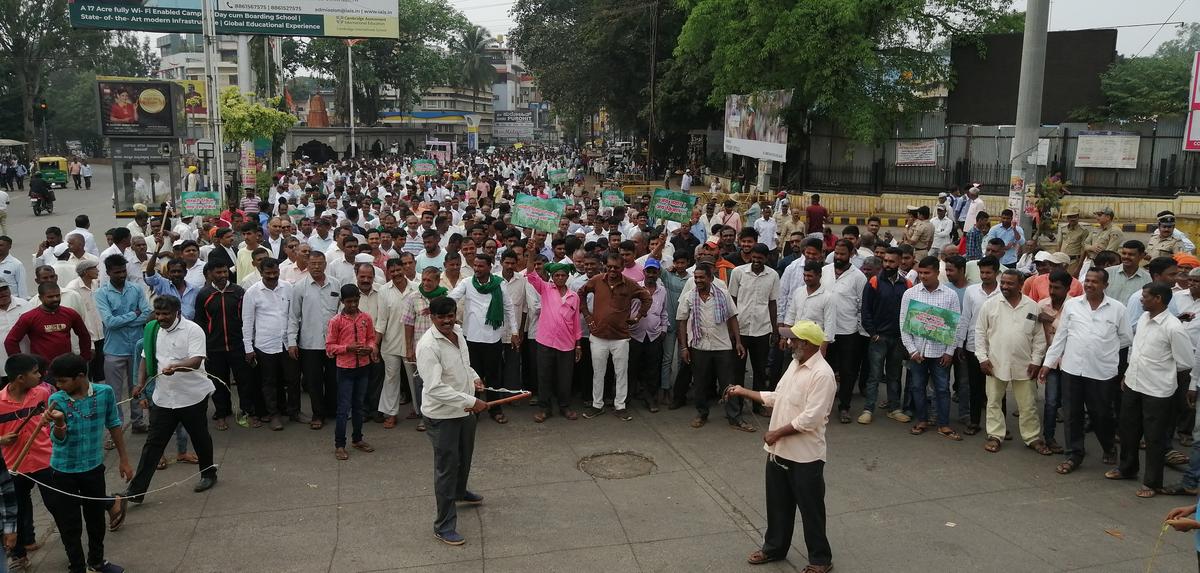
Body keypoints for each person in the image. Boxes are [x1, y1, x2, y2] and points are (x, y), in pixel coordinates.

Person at [726, 321, 835, 572]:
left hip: (806, 456)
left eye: (793, 339)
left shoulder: (823, 375)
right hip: (778, 453)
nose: (788, 343)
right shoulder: (794, 365)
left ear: (806, 344)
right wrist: (743, 391)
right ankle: (774, 548)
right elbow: (777, 397)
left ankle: (820, 559)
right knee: (777, 505)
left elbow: (811, 418)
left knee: (811, 510)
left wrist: (777, 433)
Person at [125, 295, 217, 504]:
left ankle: (208, 474)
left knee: (200, 437)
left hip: (191, 396)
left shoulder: (193, 330)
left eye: (166, 314)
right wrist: (139, 384)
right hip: (163, 398)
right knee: (153, 445)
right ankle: (136, 492)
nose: (161, 318)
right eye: (158, 314)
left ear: (177, 312)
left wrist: (175, 367)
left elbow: (196, 361)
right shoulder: (152, 330)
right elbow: (145, 358)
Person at [44, 352, 131, 573]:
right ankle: (77, 566)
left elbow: (114, 424)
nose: (58, 385)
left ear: (80, 376)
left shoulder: (104, 393)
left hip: (93, 468)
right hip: (63, 471)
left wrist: (124, 459)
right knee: (69, 523)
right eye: (57, 381)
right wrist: (60, 423)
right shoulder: (57, 400)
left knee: (95, 520)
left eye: (63, 380)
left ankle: (96, 562)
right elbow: (57, 440)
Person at [1040, 268, 1132, 475]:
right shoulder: (1072, 306)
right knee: (1072, 414)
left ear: (1105, 285)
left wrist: (1103, 349)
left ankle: (1108, 446)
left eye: (1095, 281)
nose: (1090, 284)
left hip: (1101, 372)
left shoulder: (1117, 309)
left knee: (1101, 414)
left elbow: (1126, 338)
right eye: (1087, 281)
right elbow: (1061, 337)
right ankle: (1074, 454)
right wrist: (1048, 364)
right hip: (1072, 369)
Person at [1107, 282, 1193, 497]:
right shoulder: (1145, 319)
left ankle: (1152, 483)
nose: (1141, 299)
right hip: (1134, 384)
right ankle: (1127, 468)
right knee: (1128, 430)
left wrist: (1167, 379)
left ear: (1158, 299)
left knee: (1154, 438)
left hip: (1158, 390)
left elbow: (1185, 362)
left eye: (1145, 296)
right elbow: (1136, 350)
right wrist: (1127, 375)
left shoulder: (1173, 327)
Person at [416, 296, 488, 546]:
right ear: (432, 318)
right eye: (442, 317)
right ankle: (444, 526)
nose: (447, 321)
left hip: (465, 410)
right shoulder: (428, 346)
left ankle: (460, 492)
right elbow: (434, 388)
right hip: (442, 415)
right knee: (447, 469)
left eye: (450, 315)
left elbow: (464, 365)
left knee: (464, 457)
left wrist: (475, 379)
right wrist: (469, 401)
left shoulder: (458, 331)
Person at [975, 269, 1051, 455]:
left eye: (1010, 283)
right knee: (993, 401)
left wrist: (1036, 360)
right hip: (995, 362)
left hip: (1024, 364)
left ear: (1021, 285)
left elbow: (1039, 338)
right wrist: (982, 358)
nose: (1005, 287)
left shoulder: (1032, 307)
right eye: (1003, 283)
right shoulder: (990, 305)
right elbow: (979, 333)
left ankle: (1032, 437)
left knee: (1028, 404)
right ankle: (995, 435)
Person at [677, 263, 751, 431]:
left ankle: (734, 417)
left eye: (702, 277)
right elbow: (681, 321)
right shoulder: (689, 296)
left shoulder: (723, 294)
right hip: (699, 345)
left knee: (728, 383)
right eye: (696, 277)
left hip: (722, 345)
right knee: (700, 383)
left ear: (710, 278)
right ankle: (702, 413)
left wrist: (738, 342)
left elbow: (733, 318)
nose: (698, 280)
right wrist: (683, 347)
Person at [446, 254, 518, 424]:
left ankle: (495, 409)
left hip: (493, 338)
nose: (477, 269)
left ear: (490, 267)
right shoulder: (467, 283)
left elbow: (508, 308)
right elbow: (452, 298)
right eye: (475, 266)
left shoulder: (499, 284)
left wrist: (514, 332)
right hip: (471, 338)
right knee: (473, 377)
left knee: (494, 376)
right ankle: (474, 409)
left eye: (481, 266)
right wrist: (436, 303)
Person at [900, 256, 966, 440]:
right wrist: (912, 350)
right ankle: (922, 420)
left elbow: (955, 326)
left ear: (938, 272)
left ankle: (943, 424)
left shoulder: (949, 295)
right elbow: (903, 323)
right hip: (918, 353)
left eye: (927, 273)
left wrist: (949, 352)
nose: (923, 276)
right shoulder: (910, 294)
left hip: (940, 354)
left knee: (942, 389)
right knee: (917, 387)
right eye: (920, 272)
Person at [579, 253, 650, 421]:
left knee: (621, 373)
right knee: (598, 373)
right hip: (598, 336)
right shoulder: (596, 280)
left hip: (620, 337)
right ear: (605, 266)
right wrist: (587, 316)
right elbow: (581, 294)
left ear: (622, 268)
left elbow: (646, 298)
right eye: (609, 266)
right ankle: (597, 405)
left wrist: (638, 317)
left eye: (616, 267)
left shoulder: (630, 284)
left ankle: (620, 406)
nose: (612, 270)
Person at [0, 354, 53, 569]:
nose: (40, 375)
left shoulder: (42, 393)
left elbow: (55, 416)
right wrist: (1, 439)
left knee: (57, 505)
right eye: (35, 372)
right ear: (20, 378)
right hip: (14, 466)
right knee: (18, 511)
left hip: (45, 459)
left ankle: (74, 551)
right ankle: (19, 554)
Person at [194, 260, 256, 429]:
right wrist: (203, 346)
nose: (222, 276)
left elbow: (248, 319)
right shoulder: (204, 294)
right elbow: (199, 322)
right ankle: (222, 413)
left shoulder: (238, 292)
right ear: (210, 274)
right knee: (219, 383)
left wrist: (248, 343)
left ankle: (246, 411)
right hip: (214, 347)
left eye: (224, 272)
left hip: (238, 345)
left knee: (245, 381)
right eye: (218, 273)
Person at [94, 255, 150, 434]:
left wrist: (125, 319)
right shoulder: (101, 294)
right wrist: (134, 315)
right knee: (113, 393)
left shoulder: (136, 289)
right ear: (108, 272)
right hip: (114, 350)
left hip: (137, 346)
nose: (121, 275)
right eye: (117, 272)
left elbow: (147, 313)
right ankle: (115, 428)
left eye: (123, 271)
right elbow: (109, 322)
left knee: (137, 386)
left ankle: (138, 422)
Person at [289, 252, 342, 429]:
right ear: (307, 265)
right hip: (309, 343)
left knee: (333, 380)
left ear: (325, 264)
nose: (317, 267)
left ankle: (331, 410)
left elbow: (341, 314)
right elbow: (293, 316)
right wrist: (291, 342)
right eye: (313, 264)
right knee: (314, 381)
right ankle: (318, 414)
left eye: (320, 263)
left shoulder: (335, 284)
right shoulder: (299, 287)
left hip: (333, 343)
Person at [326, 284, 378, 461]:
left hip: (363, 367)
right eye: (349, 302)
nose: (353, 305)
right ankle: (339, 444)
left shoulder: (366, 318)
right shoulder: (336, 321)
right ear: (342, 301)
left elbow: (371, 338)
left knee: (359, 406)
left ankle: (357, 439)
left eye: (356, 301)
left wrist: (370, 349)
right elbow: (329, 347)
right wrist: (347, 348)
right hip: (345, 369)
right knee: (343, 408)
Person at [242, 259, 296, 430]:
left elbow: (293, 316)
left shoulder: (287, 287)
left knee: (292, 379)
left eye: (275, 273)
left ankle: (293, 411)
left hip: (287, 343)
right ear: (261, 272)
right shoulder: (252, 292)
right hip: (265, 344)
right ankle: (273, 414)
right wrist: (248, 348)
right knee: (269, 382)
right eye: (268, 273)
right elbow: (247, 321)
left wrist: (293, 340)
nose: (272, 276)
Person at [525, 260, 581, 422]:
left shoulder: (574, 297)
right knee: (544, 376)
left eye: (563, 275)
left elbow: (576, 321)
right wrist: (530, 253)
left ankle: (564, 406)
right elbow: (531, 275)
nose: (560, 278)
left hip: (567, 344)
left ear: (568, 276)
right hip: (545, 342)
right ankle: (544, 408)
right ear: (552, 277)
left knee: (565, 378)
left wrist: (578, 344)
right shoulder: (546, 289)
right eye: (557, 275)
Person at [860, 248, 911, 424]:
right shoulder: (874, 282)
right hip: (879, 338)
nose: (888, 264)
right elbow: (865, 311)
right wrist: (873, 334)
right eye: (886, 261)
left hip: (897, 339)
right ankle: (868, 409)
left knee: (895, 375)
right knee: (874, 375)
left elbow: (910, 313)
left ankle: (894, 408)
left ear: (899, 263)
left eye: (891, 262)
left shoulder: (906, 285)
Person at [729, 244, 779, 416]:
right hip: (741, 330)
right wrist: (731, 330)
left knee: (759, 370)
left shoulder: (773, 275)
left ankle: (759, 406)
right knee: (737, 371)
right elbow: (732, 301)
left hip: (762, 330)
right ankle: (737, 406)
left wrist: (775, 330)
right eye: (754, 257)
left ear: (767, 258)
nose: (756, 261)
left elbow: (772, 303)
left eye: (760, 258)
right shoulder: (738, 273)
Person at [823, 240, 867, 424]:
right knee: (824, 371)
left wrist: (859, 330)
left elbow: (862, 306)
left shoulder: (858, 277)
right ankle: (822, 407)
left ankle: (844, 407)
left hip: (848, 331)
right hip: (824, 330)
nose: (838, 257)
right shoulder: (824, 272)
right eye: (836, 253)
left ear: (851, 254)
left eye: (842, 254)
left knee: (847, 371)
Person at [5, 282, 92, 364]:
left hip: (67, 367)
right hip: (42, 370)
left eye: (58, 296)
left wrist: (84, 357)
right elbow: (10, 341)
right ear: (40, 298)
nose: (55, 299)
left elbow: (84, 335)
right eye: (50, 297)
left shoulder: (70, 313)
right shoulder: (28, 317)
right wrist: (21, 365)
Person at [1037, 271, 1071, 454]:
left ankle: (1074, 442)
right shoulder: (1042, 305)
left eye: (1057, 288)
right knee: (1050, 401)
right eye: (1050, 286)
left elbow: (1073, 332)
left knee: (1070, 403)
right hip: (1049, 362)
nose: (1052, 291)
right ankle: (1049, 437)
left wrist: (1051, 320)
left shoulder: (1075, 306)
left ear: (1067, 288)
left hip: (1070, 361)